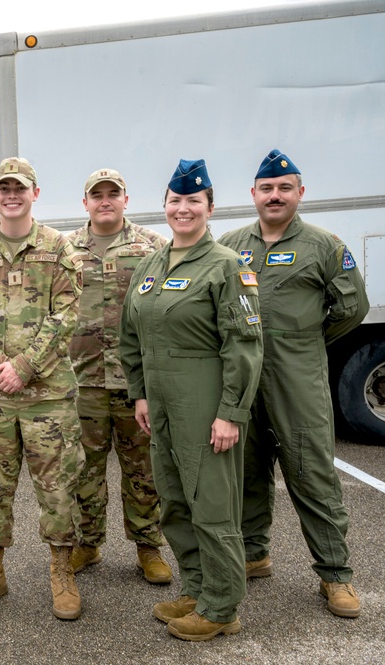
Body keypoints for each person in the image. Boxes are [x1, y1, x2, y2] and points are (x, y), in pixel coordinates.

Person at [218, 149, 369, 618]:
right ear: (254, 195)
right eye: (267, 188)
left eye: (285, 188)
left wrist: (301, 344)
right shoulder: (229, 244)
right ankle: (254, 554)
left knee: (310, 471)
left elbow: (351, 308)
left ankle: (335, 575)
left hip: (296, 377)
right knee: (246, 469)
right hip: (243, 378)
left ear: (300, 193)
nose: (275, 195)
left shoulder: (324, 246)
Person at [120, 159, 263, 641]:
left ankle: (222, 606)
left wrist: (230, 413)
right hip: (159, 402)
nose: (183, 209)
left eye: (193, 201)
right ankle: (198, 588)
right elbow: (129, 336)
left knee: (213, 502)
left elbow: (243, 345)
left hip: (204, 399)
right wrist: (139, 394)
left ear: (210, 208)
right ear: (164, 207)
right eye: (175, 201)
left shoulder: (226, 266)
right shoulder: (151, 263)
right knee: (176, 500)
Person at [0, 157, 85, 620]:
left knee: (57, 488)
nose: (12, 195)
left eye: (20, 188)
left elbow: (67, 315)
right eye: (4, 188)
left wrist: (25, 367)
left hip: (46, 396)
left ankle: (62, 571)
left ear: (35, 193)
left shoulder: (59, 249)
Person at [65, 169, 172, 585]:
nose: (105, 201)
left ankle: (148, 547)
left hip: (136, 383)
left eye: (113, 194)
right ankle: (87, 544)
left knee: (143, 469)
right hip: (83, 381)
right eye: (97, 195)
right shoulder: (66, 249)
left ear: (126, 199)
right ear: (85, 202)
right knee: (84, 470)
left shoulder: (153, 247)